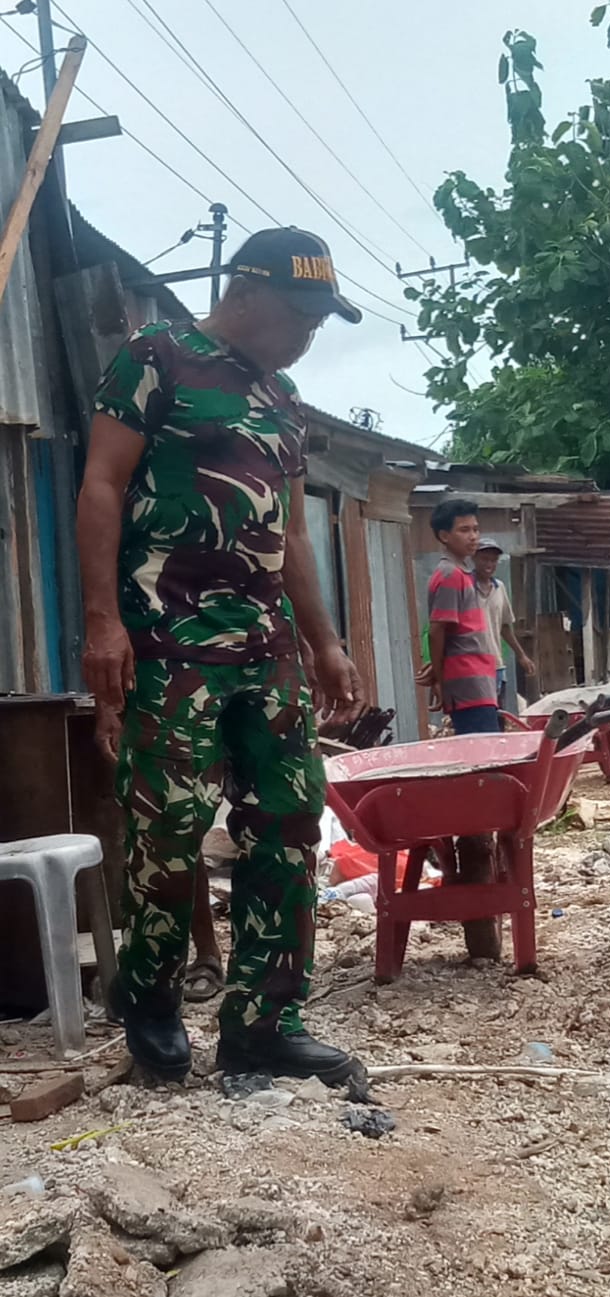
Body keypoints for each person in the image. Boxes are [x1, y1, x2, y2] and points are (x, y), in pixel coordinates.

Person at [78, 227, 365, 1084]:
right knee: (168, 831)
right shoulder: (156, 356)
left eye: (321, 319)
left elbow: (295, 532)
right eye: (302, 313)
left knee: (287, 822)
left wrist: (325, 640)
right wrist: (103, 623)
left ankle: (264, 1021)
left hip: (266, 648)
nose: (310, 332)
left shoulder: (283, 398)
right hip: (169, 642)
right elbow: (101, 484)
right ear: (248, 292)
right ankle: (153, 999)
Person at [417, 500, 503, 735]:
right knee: (486, 756)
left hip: (479, 683)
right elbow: (437, 631)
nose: (473, 536)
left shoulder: (464, 574)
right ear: (444, 536)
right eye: (464, 530)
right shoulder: (449, 575)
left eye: (475, 529)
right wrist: (440, 681)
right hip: (468, 686)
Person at [473, 538, 536, 713]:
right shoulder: (465, 588)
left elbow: (505, 626)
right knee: (480, 716)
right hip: (473, 667)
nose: (489, 564)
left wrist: (522, 656)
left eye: (493, 560)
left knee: (497, 716)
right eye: (484, 559)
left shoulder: (499, 587)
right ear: (474, 558)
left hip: (496, 665)